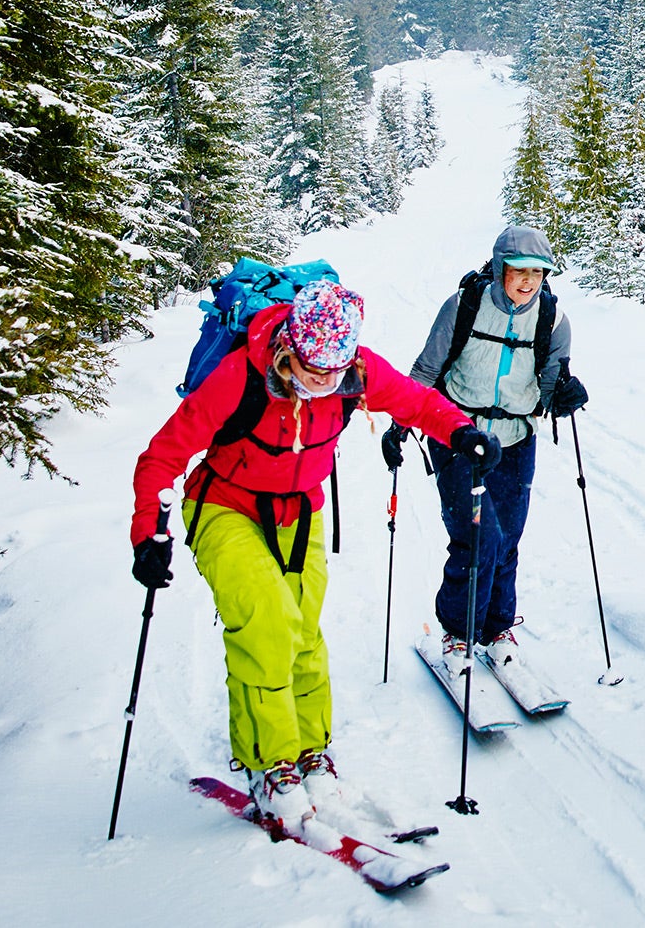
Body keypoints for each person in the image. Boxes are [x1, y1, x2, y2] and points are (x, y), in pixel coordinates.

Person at [130, 278, 496, 832]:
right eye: (313, 370)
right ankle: (268, 762)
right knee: (266, 621)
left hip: (299, 511)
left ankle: (309, 752)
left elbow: (418, 401)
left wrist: (462, 431)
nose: (325, 382)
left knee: (302, 628)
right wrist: (146, 533)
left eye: (336, 370)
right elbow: (161, 457)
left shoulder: (356, 372)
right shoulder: (238, 379)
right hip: (225, 504)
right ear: (289, 349)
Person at [386, 226, 587, 673]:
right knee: (479, 537)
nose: (529, 282)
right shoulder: (464, 306)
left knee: (508, 538)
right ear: (500, 268)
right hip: (457, 434)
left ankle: (497, 629)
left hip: (515, 439)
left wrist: (566, 395)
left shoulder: (553, 320)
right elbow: (426, 368)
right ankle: (458, 634)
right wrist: (400, 424)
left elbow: (551, 387)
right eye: (519, 271)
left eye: (538, 272)